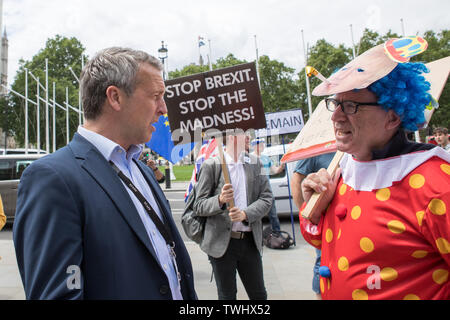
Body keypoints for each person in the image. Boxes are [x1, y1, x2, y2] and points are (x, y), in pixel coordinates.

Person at [13, 47, 197, 300]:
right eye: (156, 96)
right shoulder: (52, 178)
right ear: (115, 98)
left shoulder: (141, 169)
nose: (163, 109)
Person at [299, 45, 450, 299]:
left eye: (350, 106)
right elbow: (332, 245)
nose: (335, 116)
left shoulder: (437, 184)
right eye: (335, 103)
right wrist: (315, 209)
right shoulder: (343, 168)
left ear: (392, 118)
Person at [193, 132, 272, 300]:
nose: (249, 137)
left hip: (250, 243)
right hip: (222, 246)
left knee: (259, 295)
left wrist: (245, 213)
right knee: (227, 297)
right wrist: (220, 200)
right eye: (244, 133)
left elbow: (267, 198)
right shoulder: (211, 165)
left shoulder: (256, 163)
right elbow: (198, 205)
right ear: (231, 136)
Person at [290, 152, 335, 299]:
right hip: (325, 225)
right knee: (322, 263)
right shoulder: (319, 148)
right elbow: (296, 179)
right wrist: (308, 214)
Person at [251, 138, 284, 235]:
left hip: (267, 190)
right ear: (255, 146)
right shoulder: (250, 158)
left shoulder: (266, 158)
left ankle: (277, 235)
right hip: (255, 191)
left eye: (263, 144)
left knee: (273, 215)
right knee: (256, 216)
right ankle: (257, 237)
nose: (262, 146)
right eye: (260, 144)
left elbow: (275, 171)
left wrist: (282, 166)